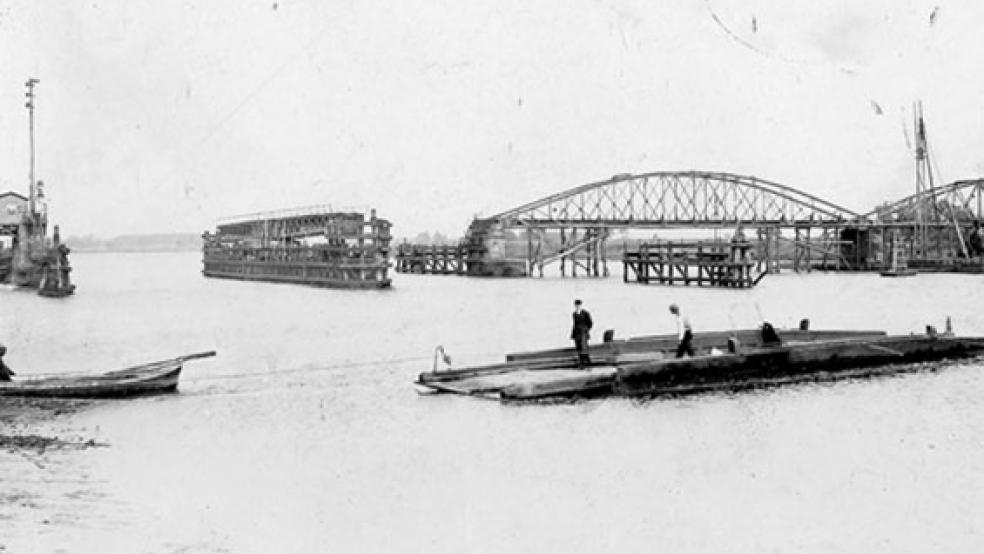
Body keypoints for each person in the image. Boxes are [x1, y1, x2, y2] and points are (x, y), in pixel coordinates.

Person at [570, 299, 593, 368]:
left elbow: (590, 323)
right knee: (578, 348)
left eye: (579, 305)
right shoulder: (574, 314)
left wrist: (586, 330)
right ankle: (581, 362)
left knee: (584, 347)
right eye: (576, 305)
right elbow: (575, 324)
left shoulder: (585, 313)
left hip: (583, 333)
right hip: (576, 333)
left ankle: (586, 362)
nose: (577, 306)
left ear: (581, 305)